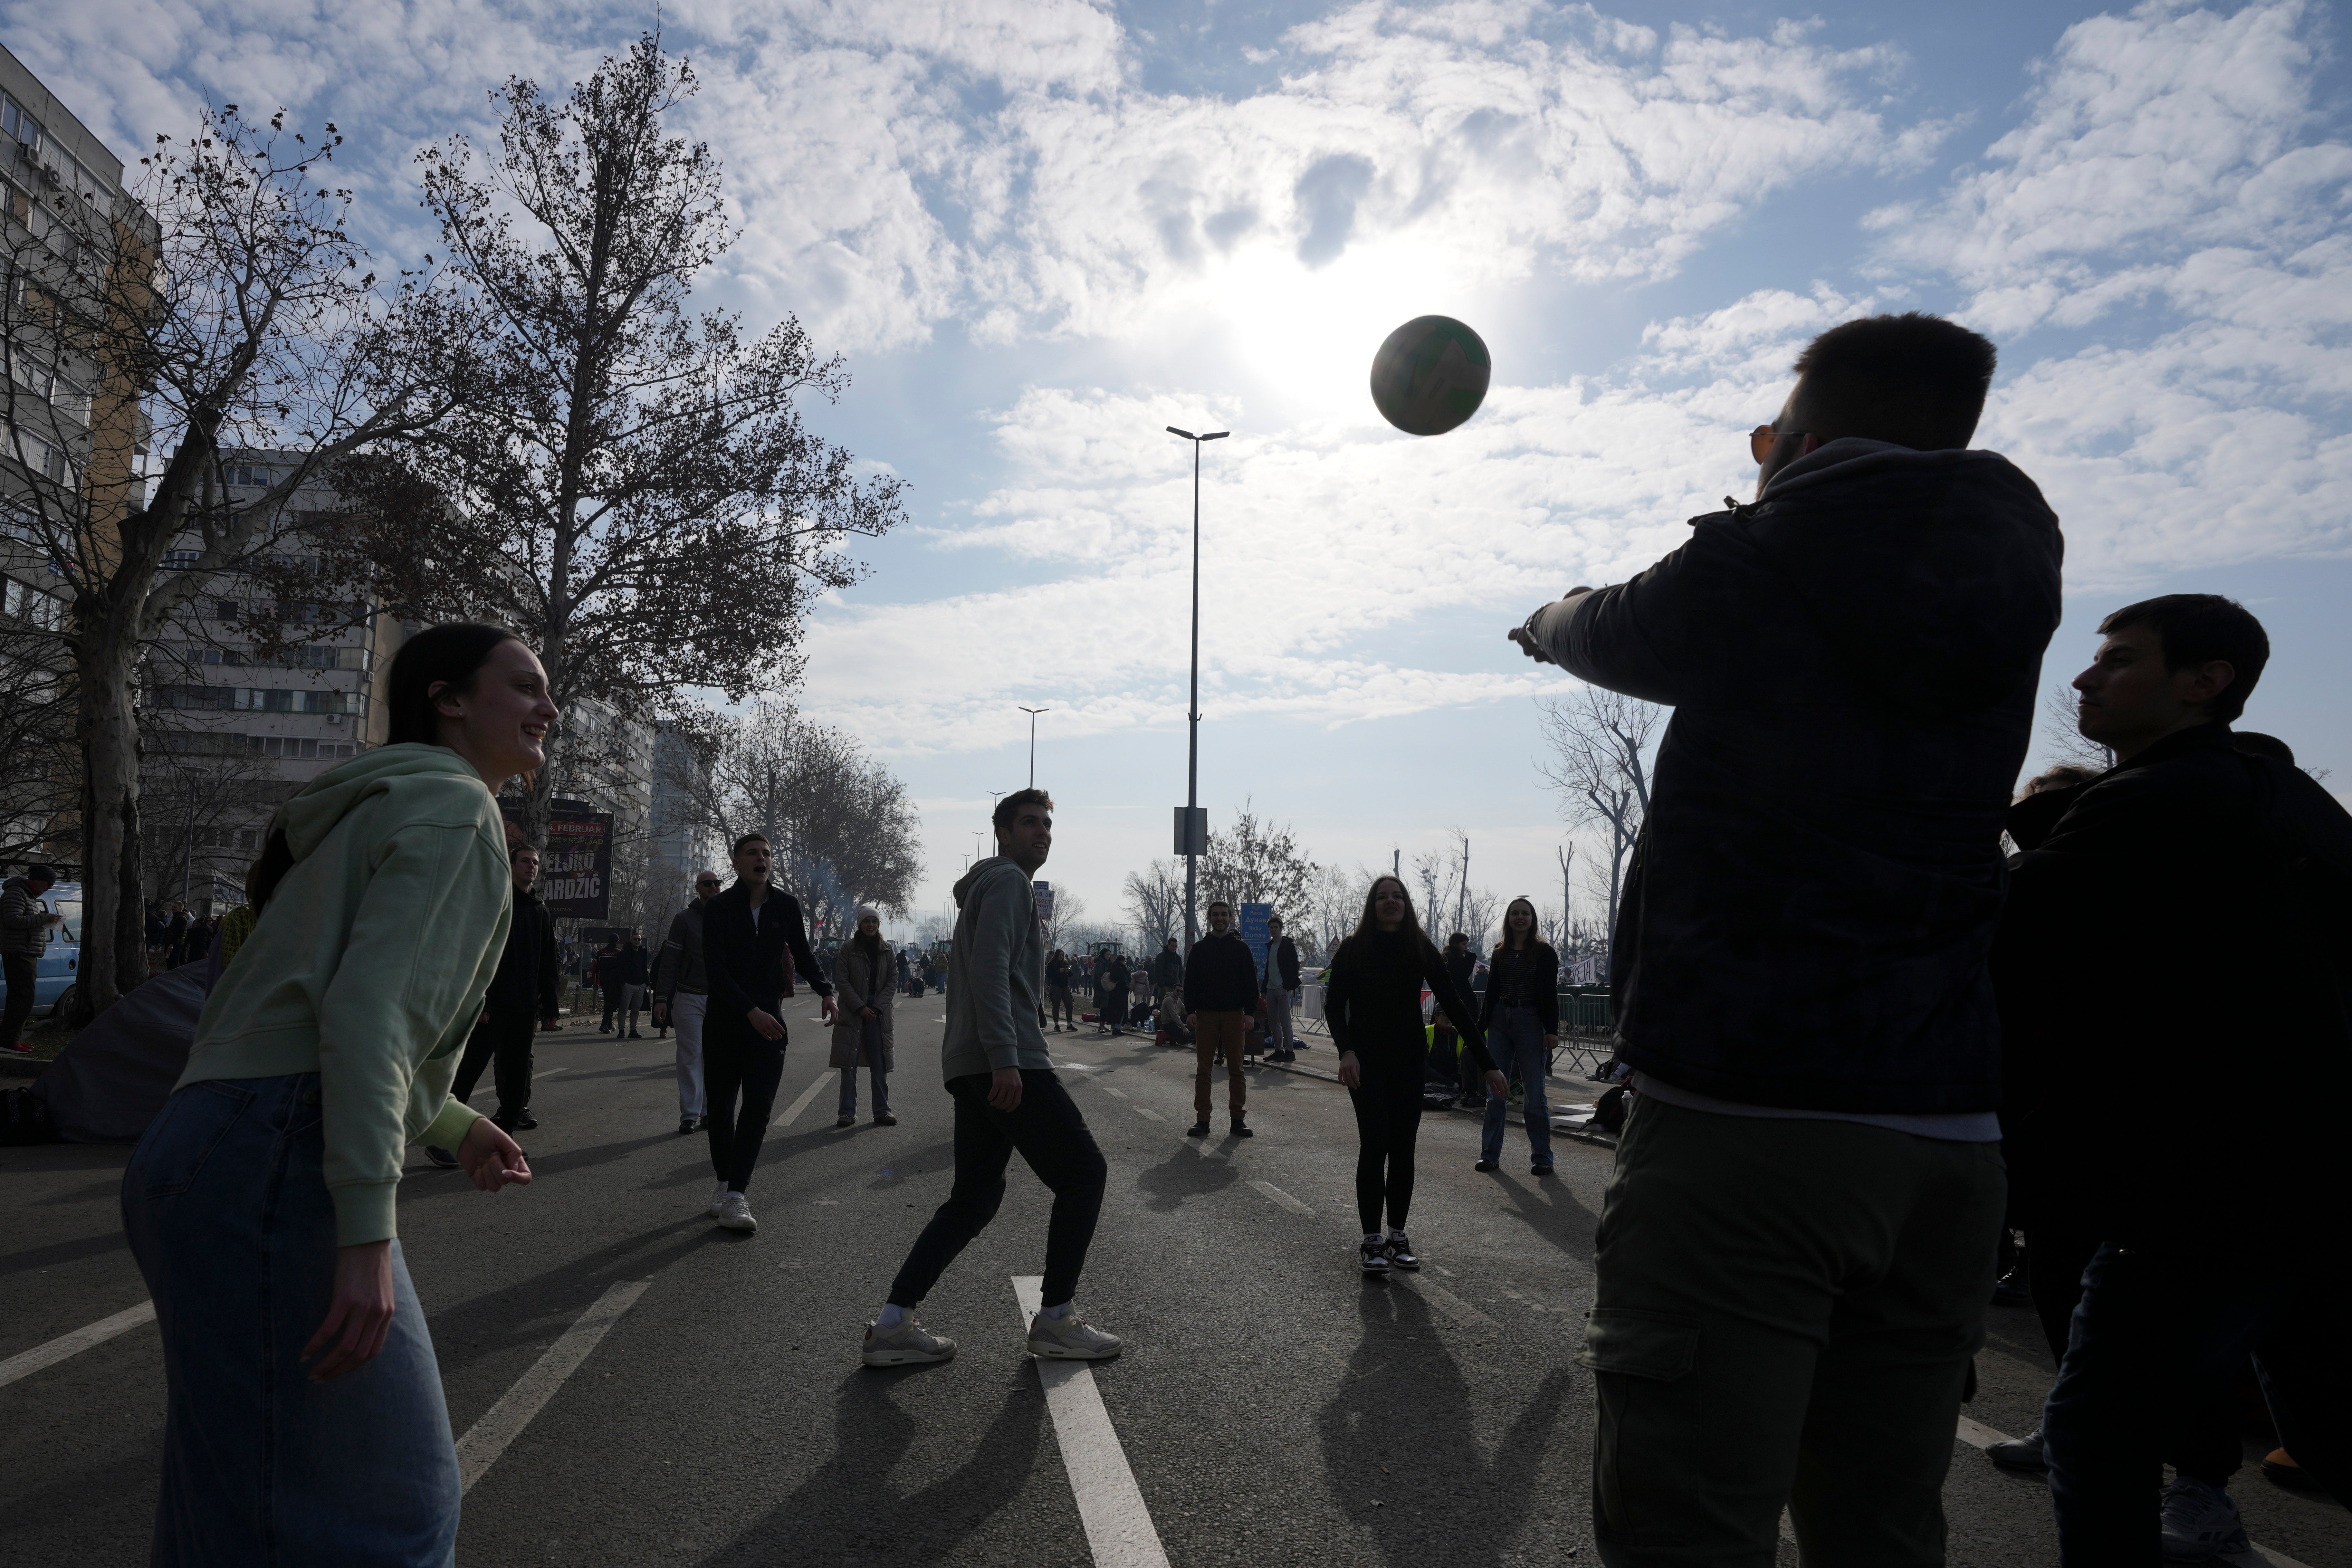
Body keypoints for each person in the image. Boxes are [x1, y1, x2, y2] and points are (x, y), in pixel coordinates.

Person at [1508, 311, 2062, 1564]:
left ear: (1805, 445)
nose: (1756, 459)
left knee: (1687, 1518)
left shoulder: (1773, 551)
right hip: (1948, 1137)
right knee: (1882, 1525)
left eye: (1765, 434)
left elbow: (1618, 628)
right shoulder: (2013, 565)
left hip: (1754, 1119)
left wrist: (1549, 614)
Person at [119, 622, 542, 1565]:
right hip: (278, 1159)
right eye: (523, 685)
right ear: (449, 698)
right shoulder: (459, 810)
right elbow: (363, 1015)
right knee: (391, 1522)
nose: (547, 707)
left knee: (229, 1515)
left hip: (196, 1147)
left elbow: (300, 1013)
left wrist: (452, 1118)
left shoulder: (360, 807)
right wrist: (364, 1235)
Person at [1994, 595, 2352, 1559]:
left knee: (2096, 1429)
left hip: (2199, 1187)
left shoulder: (2153, 801)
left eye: (2117, 659)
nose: (2083, 677)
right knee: (2329, 1431)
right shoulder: (2297, 803)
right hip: (2313, 1177)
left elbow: (1997, 936)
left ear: (2206, 681)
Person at [862, 790, 1119, 1368]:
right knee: (1084, 1172)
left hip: (975, 1062)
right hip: (1008, 1060)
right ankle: (1056, 1319)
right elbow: (989, 969)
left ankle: (893, 1323)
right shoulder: (1008, 882)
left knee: (974, 1198)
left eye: (1048, 824)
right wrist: (1006, 1055)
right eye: (1029, 823)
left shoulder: (988, 886)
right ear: (1002, 832)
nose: (1042, 833)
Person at [1328, 876, 1505, 1275]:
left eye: (1397, 896)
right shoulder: (1354, 949)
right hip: (1366, 1061)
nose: (1391, 902)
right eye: (1382, 897)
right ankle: (1371, 1241)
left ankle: (1397, 1236)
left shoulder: (1419, 946)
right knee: (1375, 1143)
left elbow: (1456, 1006)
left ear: (1407, 904)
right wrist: (1346, 1051)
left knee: (1404, 1146)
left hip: (1409, 1059)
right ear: (1372, 905)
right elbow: (1335, 1006)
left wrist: (1488, 1062)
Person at [698, 834, 835, 1233]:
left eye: (767, 854)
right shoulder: (720, 908)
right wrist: (749, 1010)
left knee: (758, 1106)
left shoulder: (786, 906)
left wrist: (827, 991)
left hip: (770, 1024)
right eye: (753, 854)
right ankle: (724, 1184)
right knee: (722, 1109)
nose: (762, 859)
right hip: (726, 1021)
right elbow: (717, 970)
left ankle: (738, 1192)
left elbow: (805, 953)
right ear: (737, 862)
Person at [433, 844, 560, 1152]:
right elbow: (474, 954)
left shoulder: (540, 910)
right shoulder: (494, 902)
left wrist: (550, 1009)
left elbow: (548, 963)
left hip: (524, 1008)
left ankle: (504, 1141)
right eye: (525, 861)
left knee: (516, 1080)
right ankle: (441, 1141)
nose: (531, 866)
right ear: (511, 865)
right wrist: (483, 1000)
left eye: (535, 862)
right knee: (467, 1074)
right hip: (491, 1007)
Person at [1477, 897, 1560, 1175]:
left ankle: (1542, 1158)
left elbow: (1550, 993)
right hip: (1501, 1020)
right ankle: (1489, 1155)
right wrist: (1480, 1027)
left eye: (1525, 914)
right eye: (1515, 914)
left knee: (1534, 1094)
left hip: (1530, 1021)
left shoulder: (1544, 953)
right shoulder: (1500, 952)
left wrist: (1551, 1030)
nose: (1520, 918)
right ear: (1509, 919)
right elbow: (1491, 992)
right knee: (1496, 1093)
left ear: (1532, 919)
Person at [652, 870, 722, 1136]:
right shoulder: (684, 920)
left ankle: (709, 1112)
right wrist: (661, 998)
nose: (714, 887)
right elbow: (669, 963)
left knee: (714, 1058)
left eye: (717, 883)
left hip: (720, 998)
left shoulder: (729, 918)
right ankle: (690, 1115)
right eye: (708, 884)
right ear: (698, 888)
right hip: (689, 996)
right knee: (691, 1056)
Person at [1184, 902, 1258, 1137]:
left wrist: (1250, 1012)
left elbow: (1250, 983)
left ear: (1231, 918)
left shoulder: (1241, 949)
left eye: (1224, 915)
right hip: (1205, 1015)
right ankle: (1202, 1121)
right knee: (1204, 1070)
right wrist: (1191, 1011)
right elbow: (1190, 982)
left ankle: (1238, 1120)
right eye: (1215, 915)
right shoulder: (1199, 949)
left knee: (1236, 1069)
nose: (1220, 918)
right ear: (1209, 918)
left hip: (1235, 1015)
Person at [831, 907, 897, 1128]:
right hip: (853, 1015)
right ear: (860, 924)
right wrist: (860, 1007)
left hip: (878, 1018)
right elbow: (842, 981)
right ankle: (847, 1113)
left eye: (875, 922)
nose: (871, 925)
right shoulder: (848, 949)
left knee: (879, 1066)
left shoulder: (888, 950)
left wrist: (877, 1008)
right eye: (867, 921)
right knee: (849, 1066)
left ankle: (882, 1111)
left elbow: (892, 983)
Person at [2, 863, 62, 1053]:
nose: (50, 888)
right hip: (19, 953)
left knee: (21, 997)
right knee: (23, 997)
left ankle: (11, 1039)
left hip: (24, 951)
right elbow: (14, 920)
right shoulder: (16, 893)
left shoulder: (26, 895)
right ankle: (9, 1042)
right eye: (48, 884)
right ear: (36, 880)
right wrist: (44, 918)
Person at [1260, 915, 1301, 1062]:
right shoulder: (1271, 945)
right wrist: (1264, 989)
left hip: (1283, 988)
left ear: (1281, 929)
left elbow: (1294, 967)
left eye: (1276, 928)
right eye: (1271, 928)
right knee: (1272, 1021)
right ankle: (1278, 1050)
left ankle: (1290, 1052)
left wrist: (1288, 985)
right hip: (1271, 988)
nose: (1273, 930)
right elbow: (1268, 968)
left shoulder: (1287, 945)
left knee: (1285, 1021)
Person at [591, 935, 626, 1034]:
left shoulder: (600, 953)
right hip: (616, 981)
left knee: (608, 1000)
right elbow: (623, 969)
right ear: (618, 941)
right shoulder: (620, 953)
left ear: (608, 941)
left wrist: (595, 983)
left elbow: (596, 969)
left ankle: (609, 1023)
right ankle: (604, 1023)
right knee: (612, 1003)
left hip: (604, 980)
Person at [620, 931, 650, 1039]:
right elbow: (620, 969)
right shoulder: (625, 953)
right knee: (624, 1009)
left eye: (639, 940)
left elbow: (644, 968)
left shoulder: (643, 953)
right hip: (628, 985)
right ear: (631, 941)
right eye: (635, 939)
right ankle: (622, 1030)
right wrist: (623, 983)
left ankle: (633, 1030)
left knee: (636, 1010)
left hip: (640, 986)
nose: (637, 941)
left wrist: (646, 983)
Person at [1150, 936, 1185, 1013]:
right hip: (1165, 987)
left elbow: (1181, 973)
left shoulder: (1178, 958)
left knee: (1176, 1009)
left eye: (1176, 946)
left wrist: (1180, 985)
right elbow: (1159, 972)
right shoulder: (1161, 957)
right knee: (1165, 1009)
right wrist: (1162, 986)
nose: (1174, 948)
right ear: (1168, 945)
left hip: (1176, 988)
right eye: (1173, 946)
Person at [1045, 947, 1075, 1032]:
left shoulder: (1065, 963)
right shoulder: (1052, 964)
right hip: (1056, 987)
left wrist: (1068, 971)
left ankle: (1069, 1024)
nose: (1061, 957)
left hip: (1065, 987)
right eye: (1060, 955)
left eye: (1063, 955)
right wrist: (1059, 971)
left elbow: (1071, 975)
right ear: (1057, 956)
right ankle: (1057, 1025)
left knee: (1069, 1005)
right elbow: (1050, 976)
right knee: (1056, 1006)